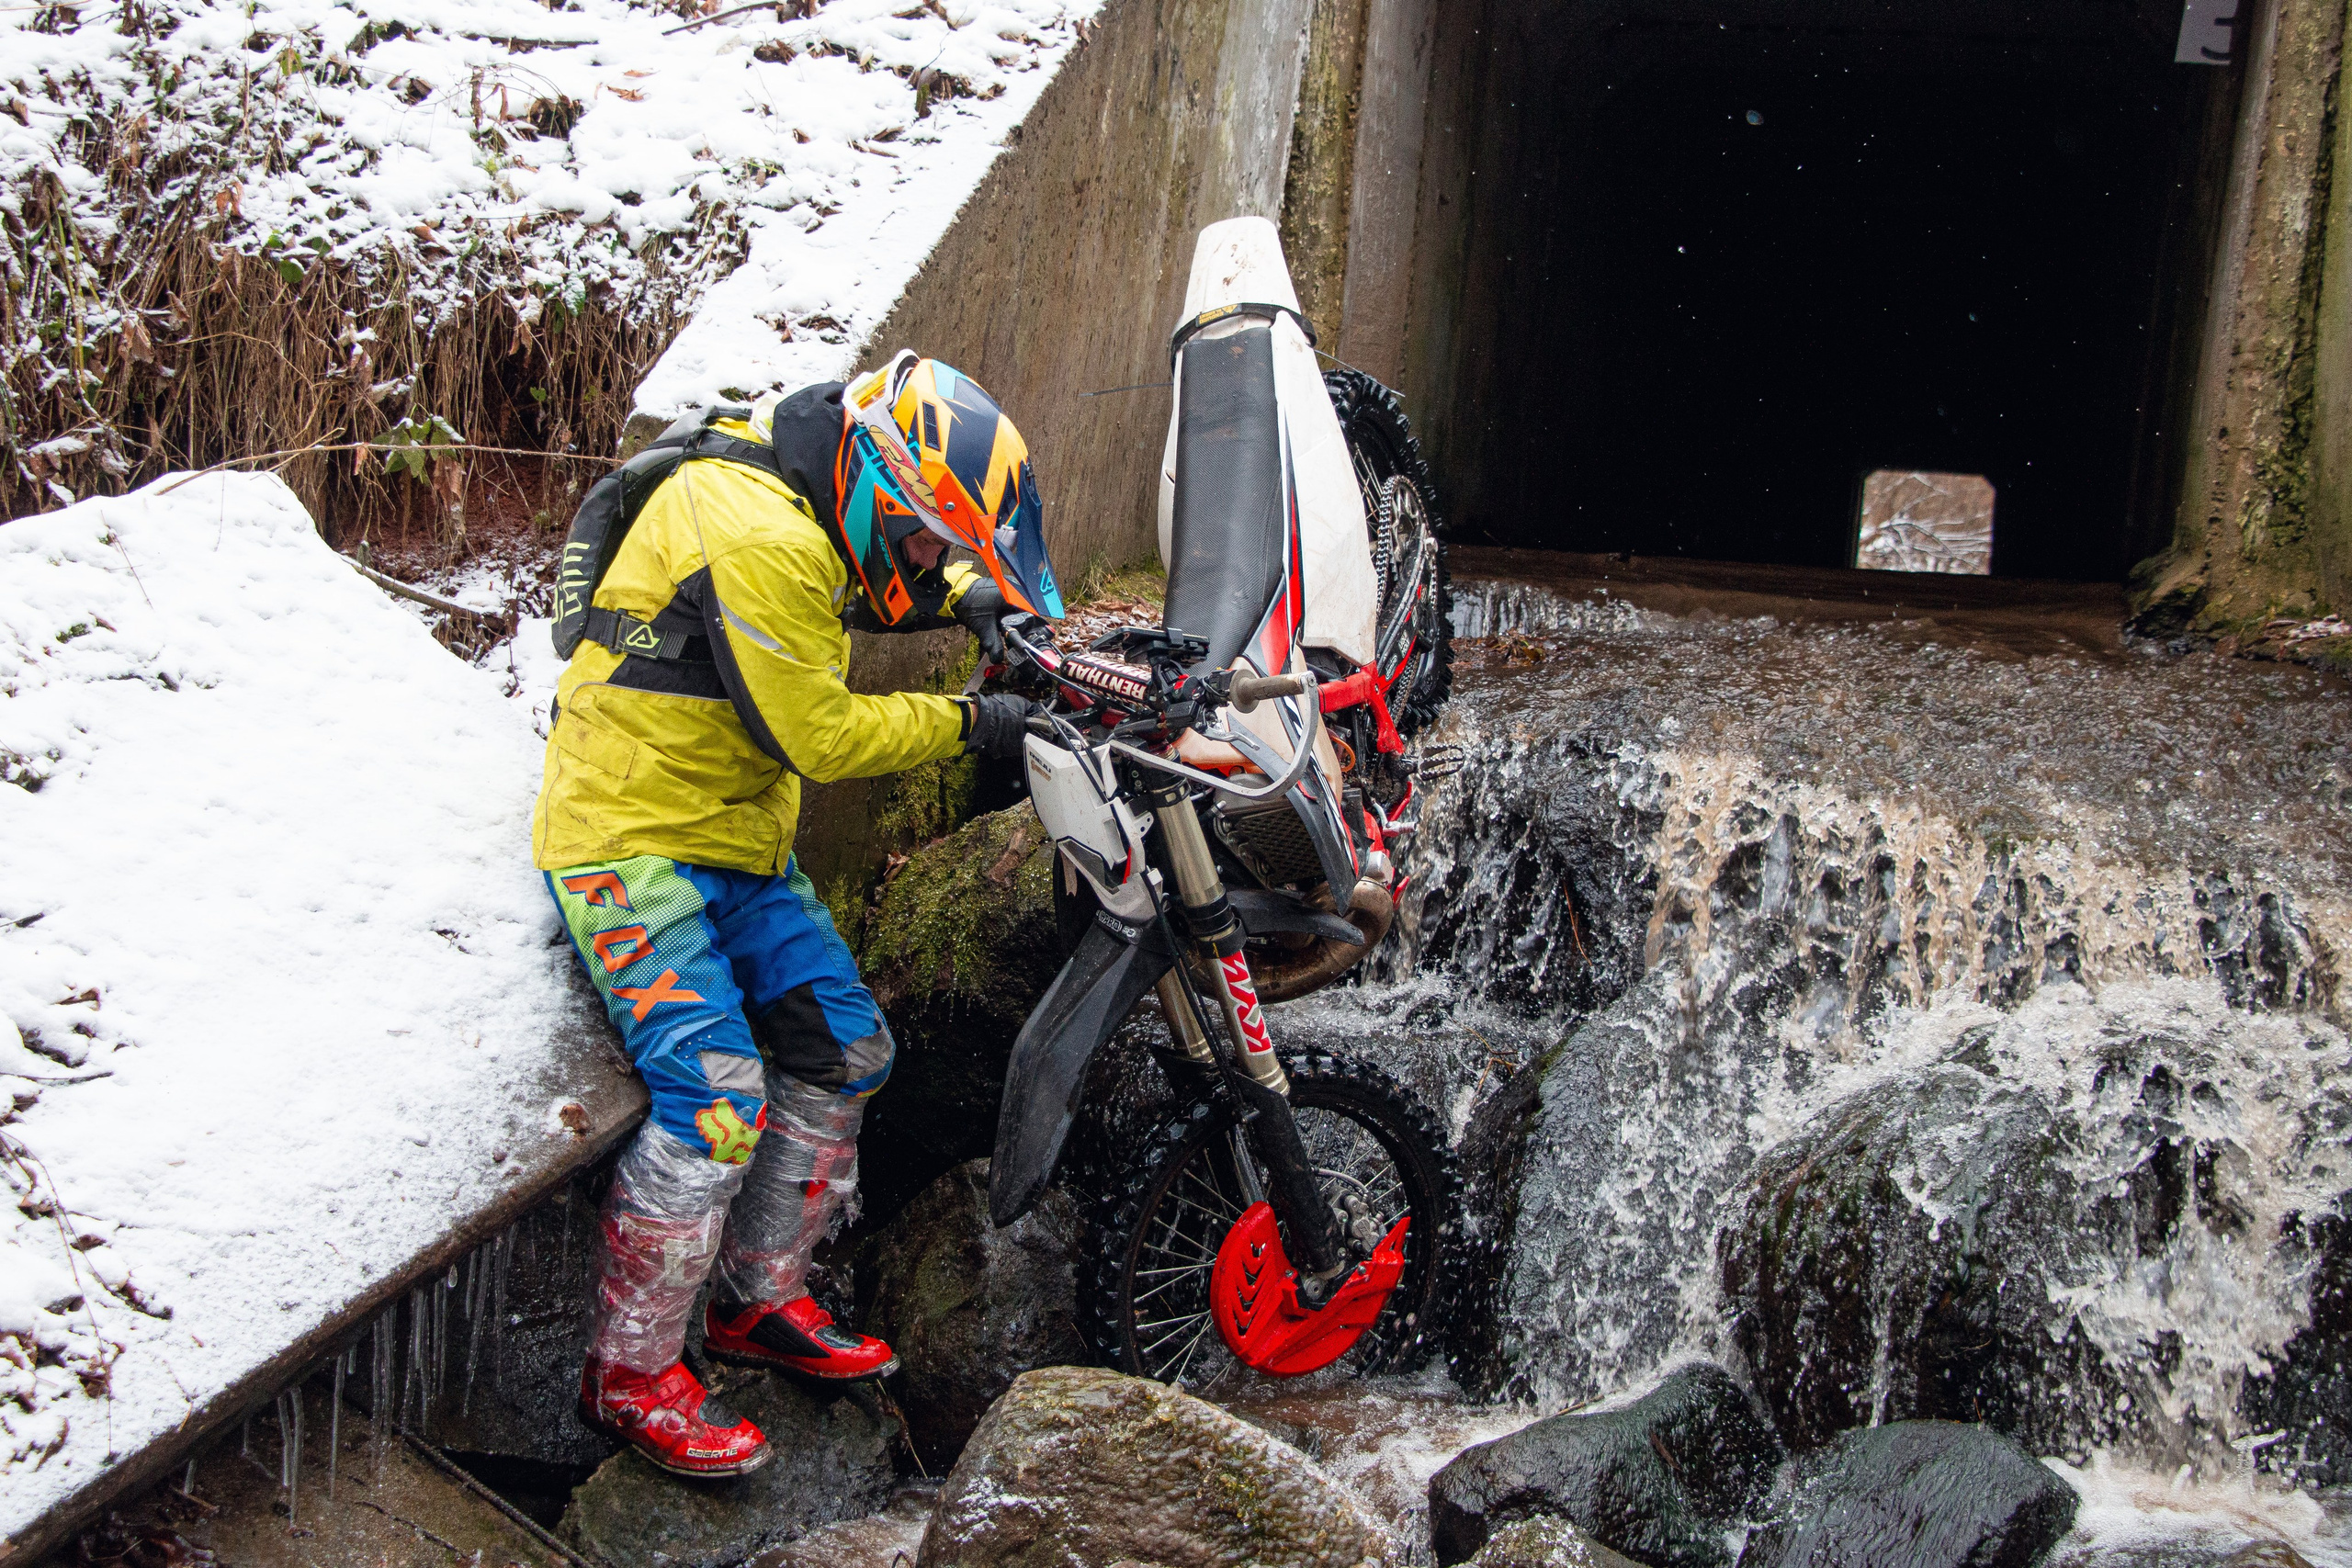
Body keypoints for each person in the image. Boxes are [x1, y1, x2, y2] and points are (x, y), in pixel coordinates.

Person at [534, 352, 1057, 1477]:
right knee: (717, 1101)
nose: (926, 558)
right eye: (926, 536)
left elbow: (874, 581)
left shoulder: (816, 456)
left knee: (850, 1047)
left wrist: (974, 595)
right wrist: (978, 724)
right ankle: (625, 1374)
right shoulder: (760, 531)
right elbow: (819, 735)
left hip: (732, 838)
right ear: (878, 490)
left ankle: (754, 1298)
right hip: (628, 837)